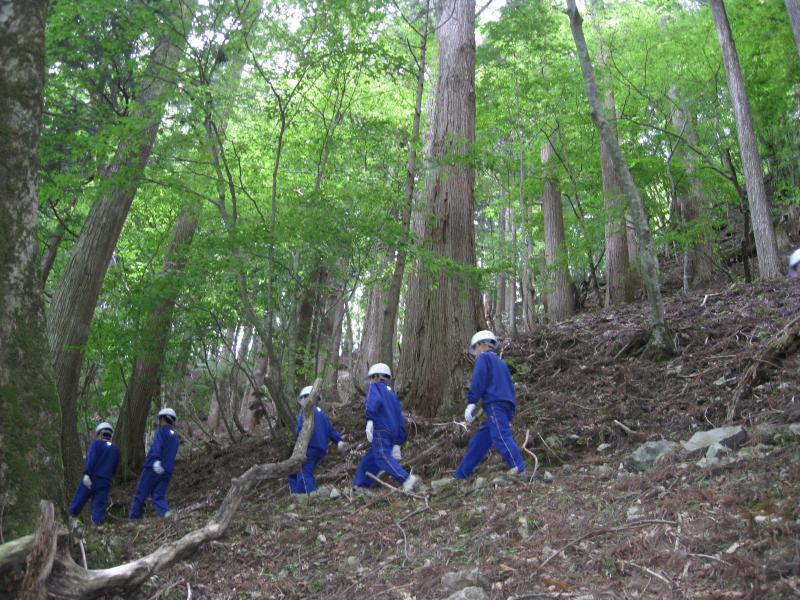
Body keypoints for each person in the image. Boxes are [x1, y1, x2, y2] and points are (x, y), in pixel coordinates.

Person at [454, 330, 526, 480]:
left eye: (475, 349)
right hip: (505, 405)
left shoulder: (484, 358)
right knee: (480, 441)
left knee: (501, 436)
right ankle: (460, 475)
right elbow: (506, 387)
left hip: (496, 404)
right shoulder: (500, 363)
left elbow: (479, 381)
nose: (475, 354)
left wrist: (471, 402)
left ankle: (519, 470)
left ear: (481, 345)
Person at [354, 363, 420, 492]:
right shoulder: (392, 395)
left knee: (381, 456)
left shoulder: (375, 387)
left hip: (380, 430)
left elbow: (372, 405)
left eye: (372, 377)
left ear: (377, 377)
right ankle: (360, 485)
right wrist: (398, 441)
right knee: (370, 460)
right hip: (392, 433)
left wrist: (370, 420)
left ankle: (406, 479)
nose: (371, 380)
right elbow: (399, 418)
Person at [288, 385, 346, 495]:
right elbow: (330, 430)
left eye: (302, 398)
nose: (301, 401)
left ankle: (310, 497)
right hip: (321, 449)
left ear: (306, 398)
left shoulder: (305, 413)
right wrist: (338, 441)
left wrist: (299, 448)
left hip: (309, 448)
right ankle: (298, 496)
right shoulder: (322, 414)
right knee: (295, 473)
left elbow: (300, 432)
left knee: (304, 472)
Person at [129, 408, 180, 519]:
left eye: (159, 419)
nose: (159, 421)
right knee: (158, 496)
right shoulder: (175, 437)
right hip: (166, 471)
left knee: (141, 494)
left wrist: (156, 460)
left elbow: (157, 446)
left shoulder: (161, 431)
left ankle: (134, 519)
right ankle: (166, 514)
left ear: (162, 418)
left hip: (152, 467)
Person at [67, 422, 120, 525]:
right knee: (99, 507)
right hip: (105, 482)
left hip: (91, 478)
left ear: (100, 434)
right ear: (110, 435)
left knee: (79, 499)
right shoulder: (115, 449)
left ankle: (70, 518)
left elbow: (90, 460)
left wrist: (86, 473)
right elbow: (115, 468)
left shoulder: (96, 444)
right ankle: (96, 527)